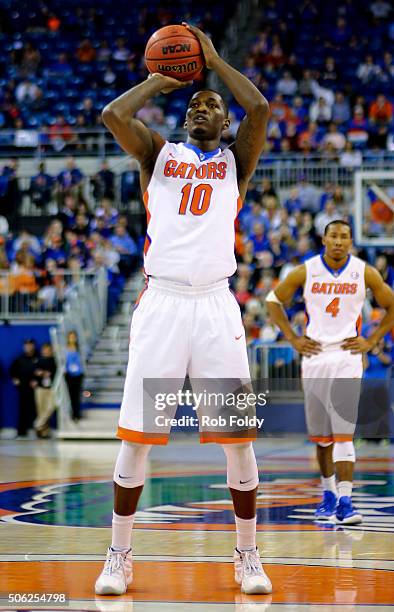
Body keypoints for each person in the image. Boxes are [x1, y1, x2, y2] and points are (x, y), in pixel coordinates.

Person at [95, 23, 271, 597]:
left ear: (225, 124)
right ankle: (119, 555)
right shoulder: (157, 154)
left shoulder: (235, 164)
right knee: (137, 439)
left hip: (217, 307)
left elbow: (261, 108)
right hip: (163, 304)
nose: (202, 107)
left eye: (212, 106)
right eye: (195, 103)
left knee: (239, 439)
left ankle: (247, 556)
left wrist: (214, 63)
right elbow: (112, 117)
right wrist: (156, 81)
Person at [266, 220, 394, 524]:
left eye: (344, 237)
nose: (339, 241)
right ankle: (328, 493)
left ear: (351, 241)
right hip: (315, 356)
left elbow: (391, 305)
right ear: (324, 239)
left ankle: (346, 502)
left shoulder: (364, 271)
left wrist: (373, 340)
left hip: (347, 356)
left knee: (343, 433)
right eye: (334, 236)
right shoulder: (306, 270)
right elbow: (273, 301)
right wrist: (293, 338)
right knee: (322, 439)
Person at [9, 339, 39, 437]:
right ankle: (22, 431)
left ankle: (38, 430)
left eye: (30, 345)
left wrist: (37, 380)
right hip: (23, 388)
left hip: (36, 389)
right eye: (26, 345)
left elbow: (42, 370)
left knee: (36, 409)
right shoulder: (19, 358)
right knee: (23, 409)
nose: (28, 347)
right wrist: (15, 379)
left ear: (33, 346)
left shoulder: (38, 358)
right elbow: (12, 370)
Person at [32, 343, 57, 438]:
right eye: (45, 349)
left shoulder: (55, 360)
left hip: (51, 389)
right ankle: (43, 432)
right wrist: (40, 373)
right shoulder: (38, 360)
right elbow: (33, 371)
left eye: (48, 349)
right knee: (41, 410)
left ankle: (37, 424)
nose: (47, 351)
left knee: (50, 408)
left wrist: (49, 373)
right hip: (40, 388)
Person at [65, 331, 84, 422]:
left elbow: (82, 361)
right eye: (70, 337)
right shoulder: (65, 349)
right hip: (69, 375)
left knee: (77, 395)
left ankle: (77, 413)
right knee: (71, 395)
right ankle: (73, 413)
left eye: (74, 337)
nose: (72, 339)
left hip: (78, 375)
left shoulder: (80, 349)